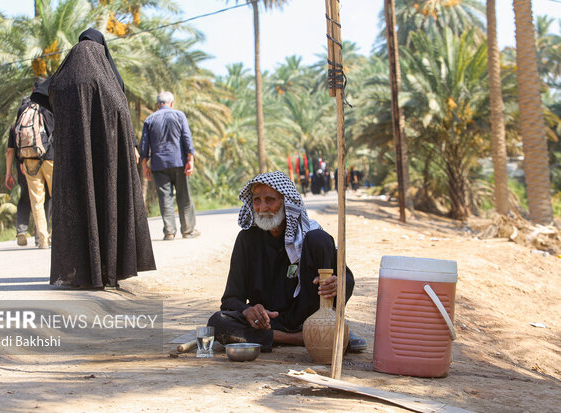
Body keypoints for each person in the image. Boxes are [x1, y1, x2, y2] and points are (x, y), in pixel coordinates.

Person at [31, 28, 155, 288]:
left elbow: (42, 94)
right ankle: (108, 270)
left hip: (72, 161)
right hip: (107, 163)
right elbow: (120, 114)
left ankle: (79, 271)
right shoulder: (108, 82)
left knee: (76, 207)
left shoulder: (63, 79)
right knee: (106, 204)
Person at [207, 171, 367, 353]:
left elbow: (346, 278)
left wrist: (337, 283)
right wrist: (248, 311)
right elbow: (230, 300)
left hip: (310, 317)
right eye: (257, 200)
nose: (262, 207)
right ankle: (302, 338)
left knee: (320, 239)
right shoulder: (247, 240)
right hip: (267, 322)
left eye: (270, 200)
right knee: (217, 323)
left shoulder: (309, 236)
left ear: (286, 203)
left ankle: (328, 326)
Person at [139, 91, 199, 241]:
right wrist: (190, 159)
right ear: (171, 103)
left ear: (157, 104)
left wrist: (145, 166)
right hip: (179, 162)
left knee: (165, 198)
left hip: (159, 165)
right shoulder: (179, 115)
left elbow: (144, 145)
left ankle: (169, 232)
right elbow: (186, 137)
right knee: (183, 197)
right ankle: (187, 230)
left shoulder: (149, 119)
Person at [8, 78, 54, 248]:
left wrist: (21, 160)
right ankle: (56, 235)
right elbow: (55, 132)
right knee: (57, 196)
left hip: (29, 160)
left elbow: (17, 135)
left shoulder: (23, 108)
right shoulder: (47, 106)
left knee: (36, 201)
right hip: (49, 158)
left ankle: (42, 240)